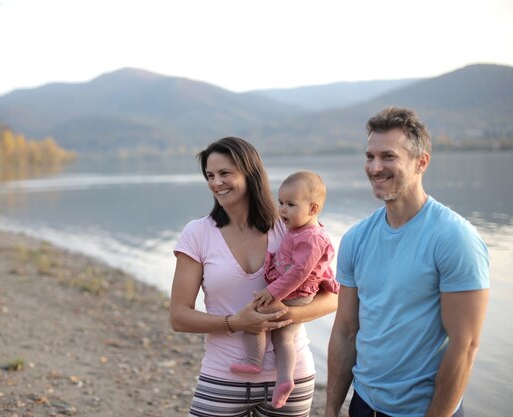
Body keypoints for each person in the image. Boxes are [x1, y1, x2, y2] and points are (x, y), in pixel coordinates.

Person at [324, 107, 490, 417]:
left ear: (421, 162)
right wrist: (332, 407)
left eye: (388, 156)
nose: (375, 168)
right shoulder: (356, 238)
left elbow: (464, 346)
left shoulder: (454, 238)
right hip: (363, 405)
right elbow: (346, 330)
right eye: (370, 156)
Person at [170, 137, 338, 417]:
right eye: (210, 176)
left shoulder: (291, 227)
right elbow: (178, 316)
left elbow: (333, 297)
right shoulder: (197, 233)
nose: (216, 183)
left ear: (251, 174)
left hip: (291, 377)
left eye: (225, 173)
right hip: (224, 375)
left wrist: (285, 315)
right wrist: (237, 322)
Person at [230, 170, 340, 409]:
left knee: (258, 314)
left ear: (312, 209)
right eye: (281, 203)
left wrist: (273, 293)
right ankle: (284, 381)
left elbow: (300, 272)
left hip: (294, 293)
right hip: (292, 291)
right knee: (283, 337)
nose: (282, 210)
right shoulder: (299, 230)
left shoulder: (312, 237)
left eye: (290, 205)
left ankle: (254, 360)